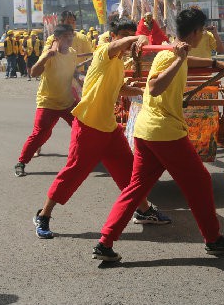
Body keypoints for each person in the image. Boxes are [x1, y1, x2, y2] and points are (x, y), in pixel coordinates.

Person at [94, 8, 224, 262]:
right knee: (200, 182)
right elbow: (153, 87)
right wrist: (177, 60)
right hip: (164, 132)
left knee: (135, 188)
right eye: (203, 30)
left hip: (148, 130)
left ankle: (105, 243)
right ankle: (214, 240)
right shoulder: (170, 55)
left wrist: (213, 64)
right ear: (197, 32)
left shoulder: (177, 50)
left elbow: (184, 60)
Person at [34, 18, 170, 240]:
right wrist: (138, 36)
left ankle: (144, 211)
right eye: (124, 36)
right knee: (73, 172)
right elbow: (118, 46)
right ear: (115, 36)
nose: (128, 44)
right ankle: (43, 215)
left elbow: (116, 89)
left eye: (130, 36)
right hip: (88, 124)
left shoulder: (118, 63)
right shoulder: (103, 52)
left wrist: (136, 89)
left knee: (128, 171)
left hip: (109, 128)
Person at [14, 25, 79, 177]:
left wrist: (80, 77)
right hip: (48, 102)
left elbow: (72, 72)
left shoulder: (73, 53)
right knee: (40, 134)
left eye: (71, 36)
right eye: (66, 36)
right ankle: (21, 162)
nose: (69, 39)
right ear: (57, 39)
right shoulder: (49, 54)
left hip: (68, 102)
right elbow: (34, 72)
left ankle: (80, 160)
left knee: (81, 130)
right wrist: (45, 57)